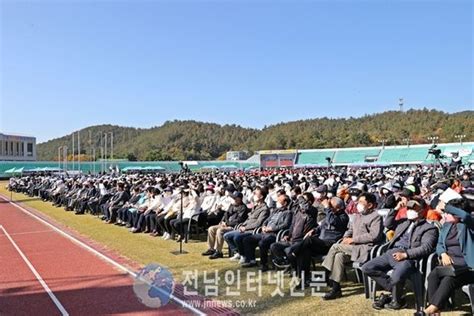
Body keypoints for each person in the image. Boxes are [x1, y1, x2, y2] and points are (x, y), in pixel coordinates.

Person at [362, 198, 439, 310]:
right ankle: (394, 294)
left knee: (397, 277)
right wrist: (396, 209)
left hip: (408, 257)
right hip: (391, 252)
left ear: (422, 211)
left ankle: (393, 298)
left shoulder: (429, 228)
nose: (409, 210)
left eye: (413, 208)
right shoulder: (403, 222)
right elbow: (387, 223)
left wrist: (406, 255)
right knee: (367, 268)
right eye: (408, 208)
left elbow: (426, 248)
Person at [321, 192, 384, 300]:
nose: (358, 204)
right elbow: (350, 230)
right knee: (338, 256)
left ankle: (325, 270)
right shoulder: (357, 216)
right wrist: (345, 238)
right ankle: (336, 289)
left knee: (336, 247)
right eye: (358, 201)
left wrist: (353, 239)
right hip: (353, 248)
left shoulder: (376, 217)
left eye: (361, 202)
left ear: (370, 205)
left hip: (366, 249)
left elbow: (374, 236)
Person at [425, 192, 474, 315]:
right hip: (451, 267)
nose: (445, 215)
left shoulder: (468, 225)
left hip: (468, 268)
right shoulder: (446, 226)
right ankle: (435, 310)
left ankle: (431, 309)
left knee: (444, 277)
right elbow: (440, 244)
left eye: (449, 213)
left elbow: (465, 215)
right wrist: (443, 254)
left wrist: (445, 206)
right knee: (434, 276)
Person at [296, 196, 349, 285]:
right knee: (305, 250)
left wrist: (327, 208)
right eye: (329, 206)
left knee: (309, 240)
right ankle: (305, 278)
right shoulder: (331, 214)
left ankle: (294, 252)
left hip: (330, 245)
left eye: (331, 206)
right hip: (321, 242)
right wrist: (314, 230)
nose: (330, 208)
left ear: (339, 208)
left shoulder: (343, 217)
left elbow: (332, 221)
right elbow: (322, 226)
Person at [240, 193, 293, 270]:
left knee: (262, 243)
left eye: (279, 201)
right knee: (247, 239)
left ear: (285, 203)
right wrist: (264, 226)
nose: (277, 202)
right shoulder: (275, 211)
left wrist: (271, 228)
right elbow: (266, 220)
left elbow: (285, 225)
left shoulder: (288, 213)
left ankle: (264, 264)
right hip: (264, 232)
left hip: (274, 234)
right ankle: (251, 260)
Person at [270, 192, 317, 271]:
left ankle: (295, 269)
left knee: (289, 250)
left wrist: (300, 197)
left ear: (309, 202)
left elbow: (307, 207)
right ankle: (288, 264)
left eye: (303, 200)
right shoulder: (297, 212)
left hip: (302, 241)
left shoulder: (312, 212)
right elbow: (293, 225)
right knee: (274, 246)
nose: (300, 202)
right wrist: (288, 235)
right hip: (292, 239)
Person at [224, 187, 269, 263]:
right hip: (244, 228)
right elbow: (249, 219)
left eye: (255, 194)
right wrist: (242, 225)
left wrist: (246, 228)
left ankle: (243, 255)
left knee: (237, 237)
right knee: (227, 236)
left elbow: (258, 223)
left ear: (261, 197)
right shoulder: (255, 206)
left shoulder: (264, 209)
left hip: (252, 230)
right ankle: (238, 252)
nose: (253, 195)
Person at [202, 191, 249, 259]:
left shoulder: (243, 208)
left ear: (240, 199)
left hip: (234, 226)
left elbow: (239, 220)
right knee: (211, 229)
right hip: (226, 224)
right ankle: (211, 249)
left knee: (220, 231)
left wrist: (227, 223)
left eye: (235, 198)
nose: (234, 199)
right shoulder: (232, 205)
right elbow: (225, 214)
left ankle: (218, 251)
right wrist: (222, 221)